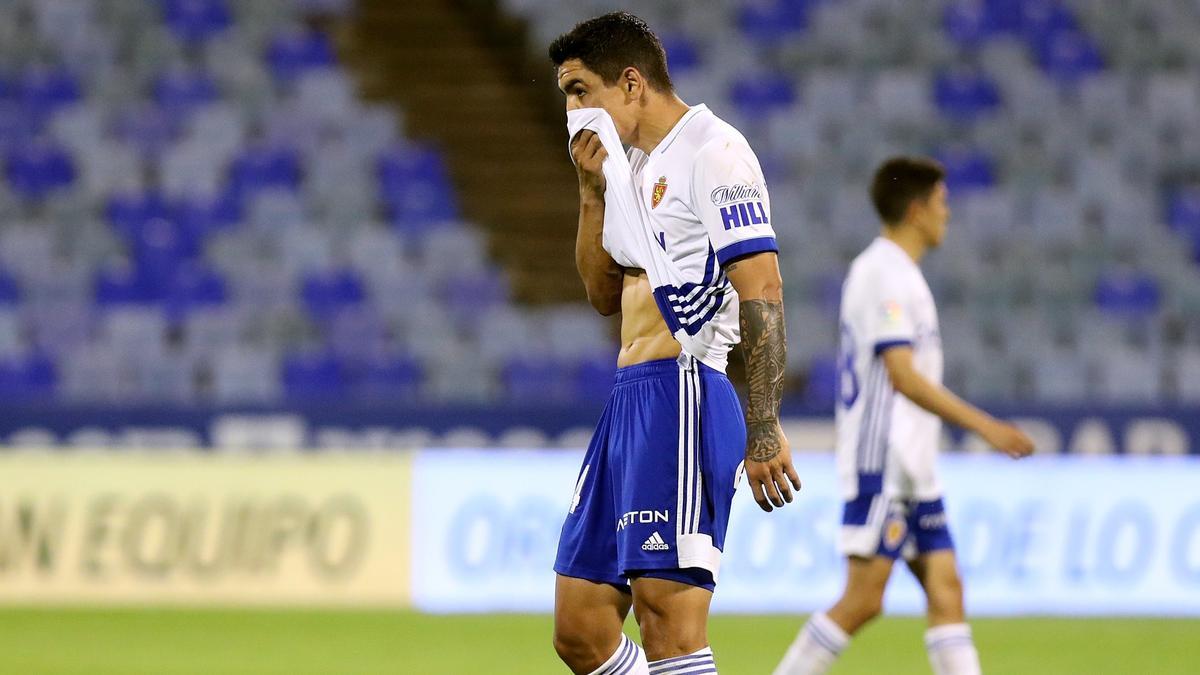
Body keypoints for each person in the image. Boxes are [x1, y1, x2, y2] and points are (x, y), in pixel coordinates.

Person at [548, 12, 802, 675]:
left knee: (670, 624)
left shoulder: (712, 152)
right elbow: (607, 295)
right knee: (579, 627)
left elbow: (763, 286)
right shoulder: (632, 169)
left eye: (580, 92)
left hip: (683, 392)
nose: (572, 113)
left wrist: (765, 421)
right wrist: (591, 193)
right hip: (627, 400)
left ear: (630, 84)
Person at [772, 156, 1035, 675]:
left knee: (947, 589)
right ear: (917, 210)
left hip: (914, 469)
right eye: (942, 204)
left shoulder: (898, 274)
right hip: (883, 462)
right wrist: (986, 427)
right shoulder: (884, 274)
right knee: (863, 600)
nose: (948, 215)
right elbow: (903, 375)